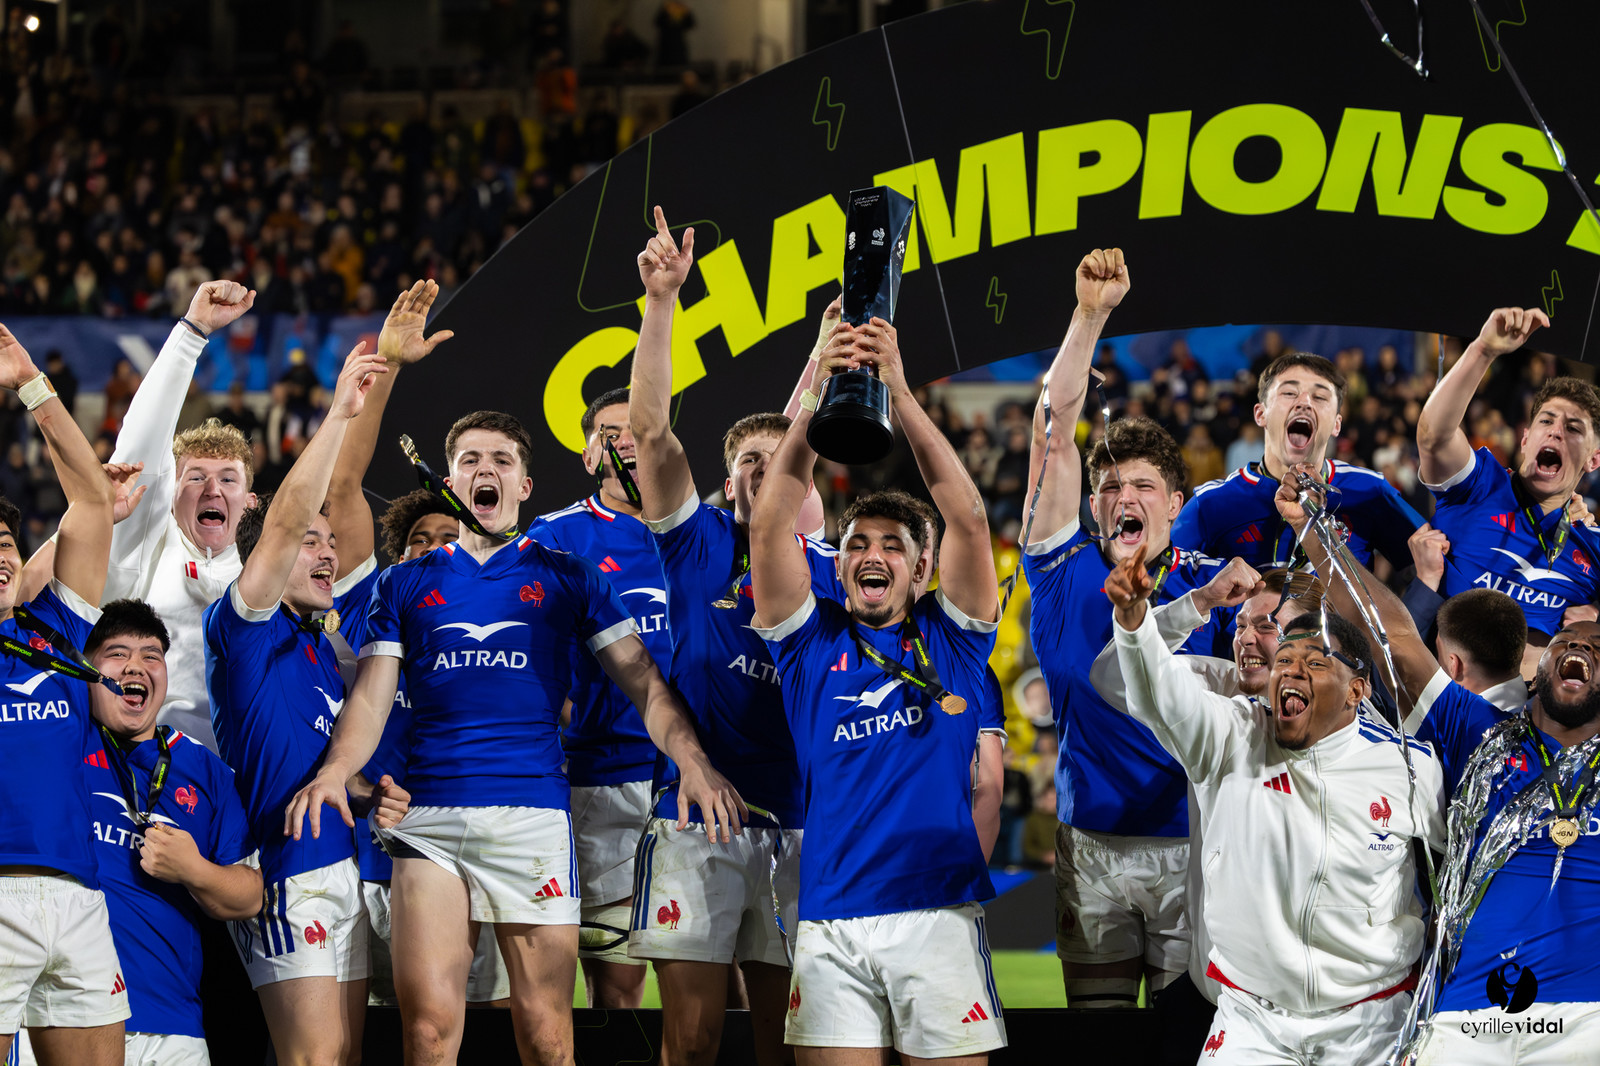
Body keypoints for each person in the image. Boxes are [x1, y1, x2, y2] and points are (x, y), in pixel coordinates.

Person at [284, 408, 744, 1066]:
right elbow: (371, 700)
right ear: (452, 481)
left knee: (547, 1033)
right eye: (471, 460)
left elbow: (644, 682)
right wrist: (333, 772)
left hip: (533, 818)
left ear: (525, 487)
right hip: (430, 818)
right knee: (428, 1034)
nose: (486, 470)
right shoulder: (405, 583)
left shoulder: (569, 576)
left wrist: (692, 762)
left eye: (502, 461)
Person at [750, 313, 1006, 1062]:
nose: (873, 554)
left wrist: (894, 385)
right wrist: (821, 387)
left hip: (937, 915)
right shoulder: (809, 644)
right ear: (836, 565)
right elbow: (771, 523)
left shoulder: (954, 642)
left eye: (895, 546)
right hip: (830, 921)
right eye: (857, 543)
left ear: (921, 571)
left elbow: (966, 514)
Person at [626, 206, 840, 1065]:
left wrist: (823, 367)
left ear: (811, 488)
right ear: (725, 485)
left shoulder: (844, 574)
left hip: (797, 825)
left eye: (776, 459)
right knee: (692, 1041)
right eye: (745, 462)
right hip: (693, 825)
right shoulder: (699, 543)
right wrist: (661, 302)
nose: (762, 469)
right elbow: (648, 430)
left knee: (785, 1039)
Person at [1104, 535, 1447, 1064]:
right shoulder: (1230, 732)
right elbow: (1156, 697)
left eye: (1313, 661)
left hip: (1372, 1023)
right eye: (1285, 658)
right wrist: (1134, 623)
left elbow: (1449, 883)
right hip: (1251, 1020)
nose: (1290, 669)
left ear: (1357, 690)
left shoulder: (1409, 766)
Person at [1020, 249, 1230, 1009]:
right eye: (1109, 486)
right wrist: (1089, 317)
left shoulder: (1216, 586)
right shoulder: (1059, 565)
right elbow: (1053, 428)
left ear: (1176, 503)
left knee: (1184, 1044)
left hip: (1190, 843)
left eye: (1144, 485)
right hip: (1092, 846)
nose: (1122, 495)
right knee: (1098, 1044)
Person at [203, 342, 408, 1066]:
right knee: (314, 1060)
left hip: (341, 866)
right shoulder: (240, 630)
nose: (325, 552)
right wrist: (338, 414)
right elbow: (285, 519)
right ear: (263, 560)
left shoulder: (322, 649)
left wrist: (364, 792)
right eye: (309, 543)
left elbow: (326, 765)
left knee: (343, 1059)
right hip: (287, 873)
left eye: (330, 544)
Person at [22, 281, 259, 752]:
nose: (212, 488)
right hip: (141, 773)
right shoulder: (147, 546)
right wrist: (191, 333)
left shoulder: (269, 572)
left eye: (228, 479)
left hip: (247, 792)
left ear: (251, 501)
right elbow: (142, 444)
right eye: (195, 478)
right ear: (169, 497)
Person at [0, 321, 126, 1066]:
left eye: (8, 547)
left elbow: (90, 500)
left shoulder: (53, 631)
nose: (1, 559)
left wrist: (32, 389)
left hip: (78, 897)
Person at [527, 387, 673, 1011]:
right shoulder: (554, 537)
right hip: (602, 778)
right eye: (609, 433)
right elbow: (529, 653)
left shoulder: (701, 531)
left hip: (699, 783)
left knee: (726, 976)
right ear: (589, 454)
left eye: (637, 432)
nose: (624, 445)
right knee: (617, 986)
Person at [83, 599, 262, 1066]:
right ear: (87, 669)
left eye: (151, 656)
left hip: (171, 1027)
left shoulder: (205, 769)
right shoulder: (59, 741)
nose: (135, 666)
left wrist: (193, 870)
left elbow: (248, 896)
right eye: (117, 654)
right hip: (62, 1019)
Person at [1415, 306, 1600, 662]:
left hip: (1534, 714)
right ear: (1526, 439)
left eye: (1574, 428)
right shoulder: (1478, 487)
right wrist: (1483, 350)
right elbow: (1434, 437)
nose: (1557, 431)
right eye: (1547, 420)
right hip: (1440, 703)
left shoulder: (1590, 542)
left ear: (1593, 460)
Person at [1173, 350, 1423, 571]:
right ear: (1261, 414)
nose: (1304, 402)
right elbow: (1158, 588)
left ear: (1337, 424)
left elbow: (1435, 566)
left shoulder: (1370, 491)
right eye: (1289, 392)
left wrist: (1404, 622)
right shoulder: (1210, 504)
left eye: (1320, 397)